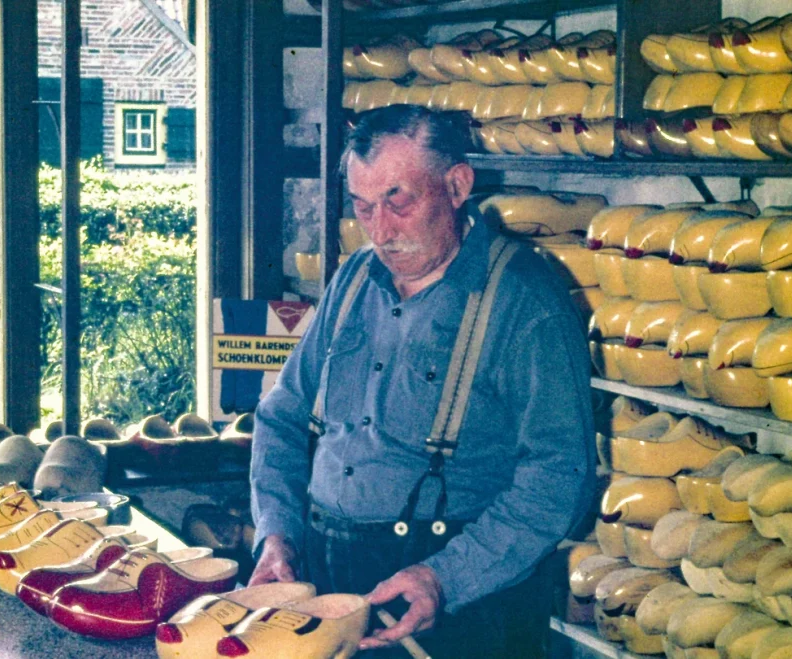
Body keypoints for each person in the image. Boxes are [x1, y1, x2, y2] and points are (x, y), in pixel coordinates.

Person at [248, 105, 596, 658]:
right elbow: (282, 417)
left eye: (398, 201)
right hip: (332, 584)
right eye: (363, 207)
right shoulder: (354, 279)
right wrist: (277, 533)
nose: (381, 231)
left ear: (457, 185)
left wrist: (448, 578)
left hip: (463, 607)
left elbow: (559, 477)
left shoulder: (525, 300)